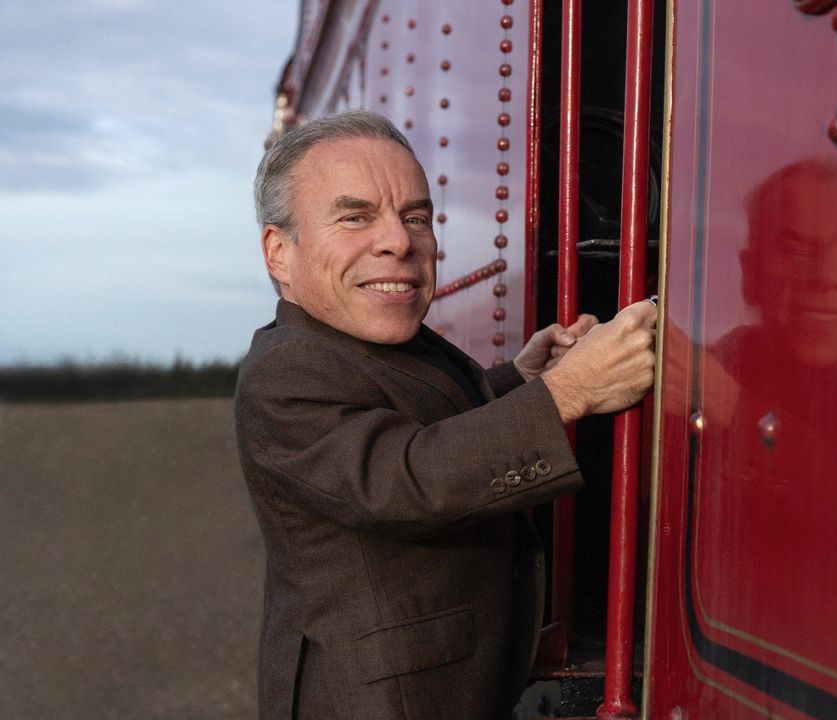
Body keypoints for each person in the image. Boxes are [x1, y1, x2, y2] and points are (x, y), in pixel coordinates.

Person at [235, 110, 656, 719]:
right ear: (280, 252)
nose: (399, 241)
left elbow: (419, 419)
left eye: (415, 216)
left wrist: (523, 379)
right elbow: (406, 478)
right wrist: (568, 393)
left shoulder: (367, 339)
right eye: (355, 217)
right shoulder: (284, 372)